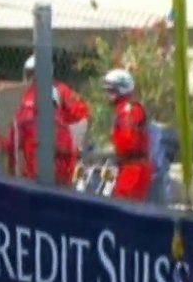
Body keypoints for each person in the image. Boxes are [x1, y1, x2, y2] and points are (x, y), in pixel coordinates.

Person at [7, 85, 79, 185]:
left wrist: (14, 178)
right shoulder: (65, 128)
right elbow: (71, 160)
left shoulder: (24, 119)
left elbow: (11, 149)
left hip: (31, 181)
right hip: (56, 186)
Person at [102, 68, 152, 202]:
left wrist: (109, 151)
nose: (107, 94)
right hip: (130, 165)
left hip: (133, 167)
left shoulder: (127, 110)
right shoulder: (124, 109)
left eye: (111, 90)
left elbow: (127, 140)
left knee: (123, 204)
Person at [22, 54, 90, 150]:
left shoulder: (61, 90)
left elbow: (81, 115)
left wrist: (71, 142)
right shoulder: (28, 93)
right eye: (29, 74)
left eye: (34, 73)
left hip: (60, 138)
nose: (31, 78)